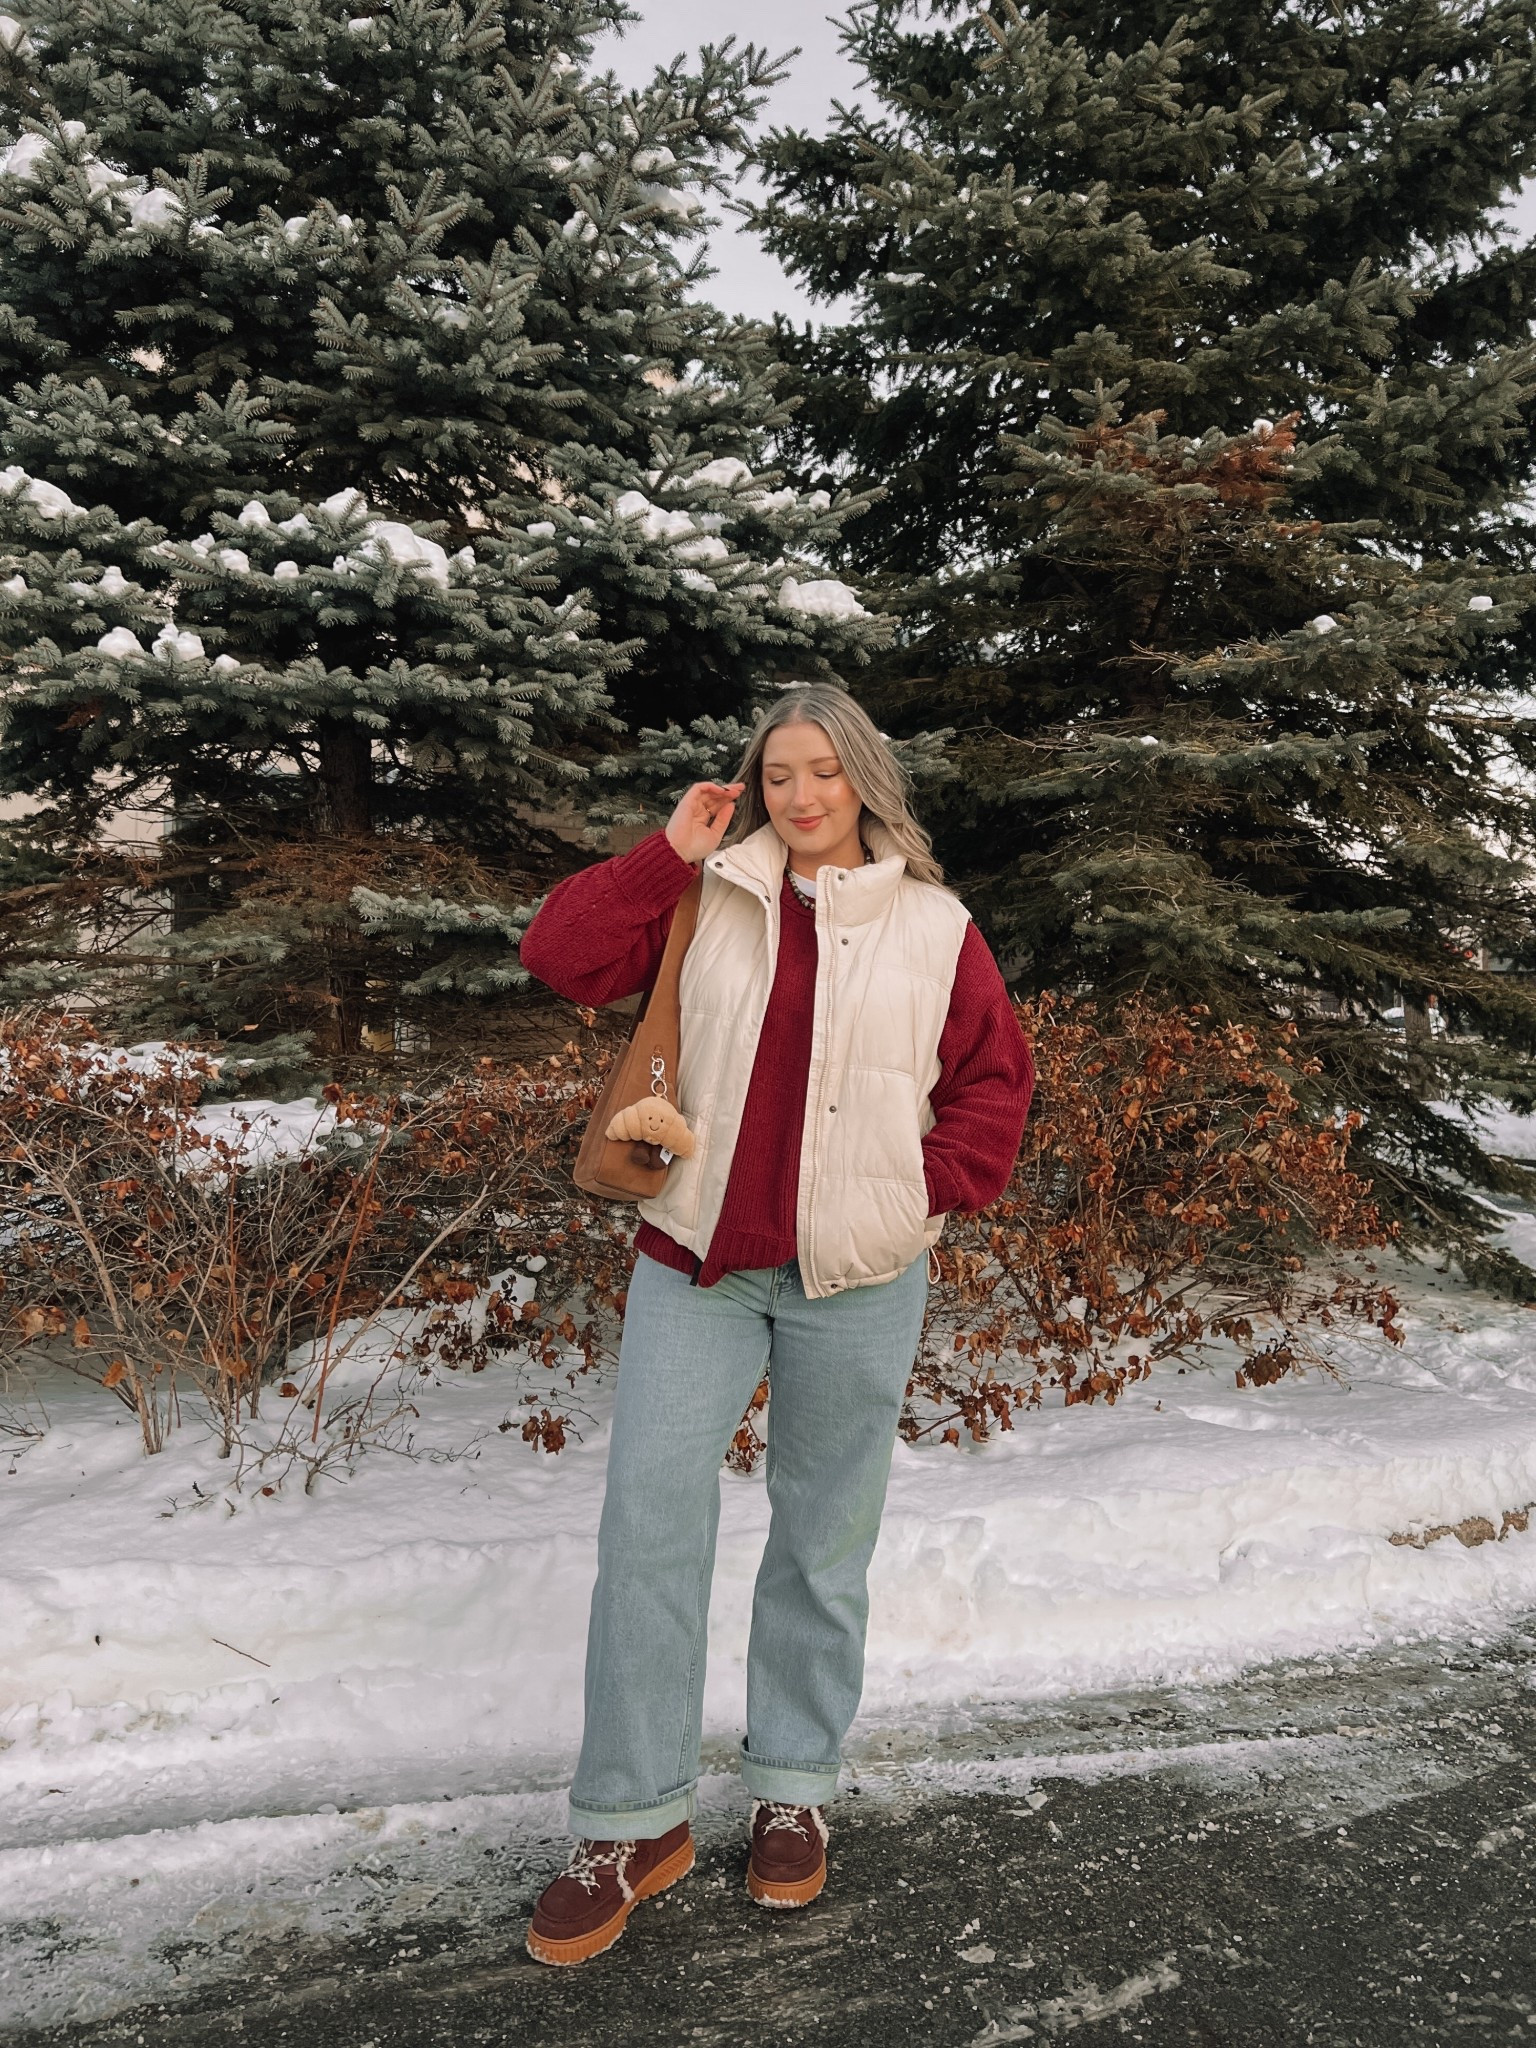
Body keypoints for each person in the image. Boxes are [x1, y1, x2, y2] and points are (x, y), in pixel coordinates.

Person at [517, 681, 1034, 1966]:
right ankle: (631, 1820)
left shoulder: (932, 922)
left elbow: (993, 1079)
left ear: (863, 778)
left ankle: (795, 1784)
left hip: (858, 1272)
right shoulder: (710, 892)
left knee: (823, 1532)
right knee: (648, 1519)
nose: (802, 797)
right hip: (696, 1257)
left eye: (825, 772)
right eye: (780, 773)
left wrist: (927, 1189)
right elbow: (559, 956)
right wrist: (664, 853)